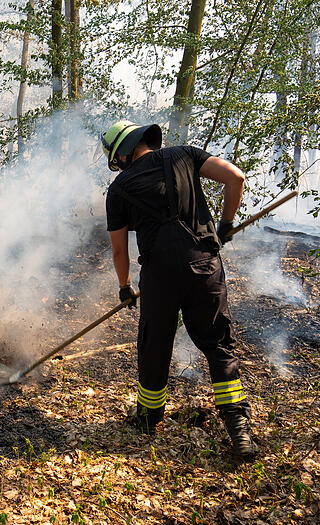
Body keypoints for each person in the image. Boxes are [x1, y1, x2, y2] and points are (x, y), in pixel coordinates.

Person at [99, 119, 258, 459]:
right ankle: (239, 429)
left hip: (159, 277)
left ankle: (148, 416)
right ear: (144, 140)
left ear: (123, 155)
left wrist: (124, 287)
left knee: (155, 344)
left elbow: (118, 251)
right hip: (205, 266)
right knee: (218, 343)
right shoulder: (184, 154)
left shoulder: (118, 189)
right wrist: (226, 223)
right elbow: (236, 177)